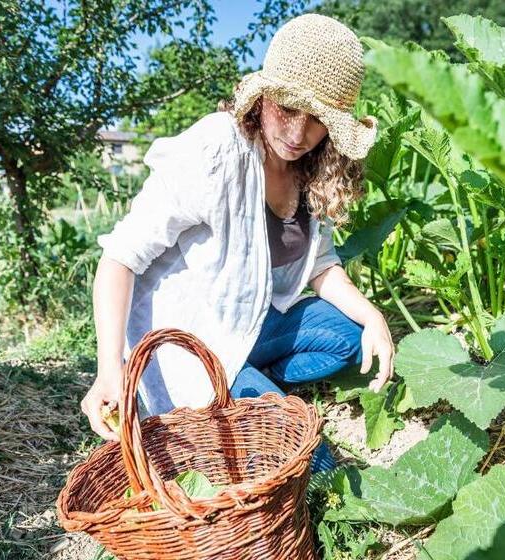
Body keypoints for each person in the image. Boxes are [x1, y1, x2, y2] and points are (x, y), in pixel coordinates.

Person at [80, 13, 395, 472]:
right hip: (185, 341)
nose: (297, 134)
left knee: (350, 336)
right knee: (316, 467)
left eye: (317, 120)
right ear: (261, 98)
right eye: (286, 109)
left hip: (247, 322)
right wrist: (109, 368)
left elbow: (320, 265)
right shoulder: (217, 151)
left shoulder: (310, 169)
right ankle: (232, 394)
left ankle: (252, 386)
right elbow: (120, 259)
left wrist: (374, 317)